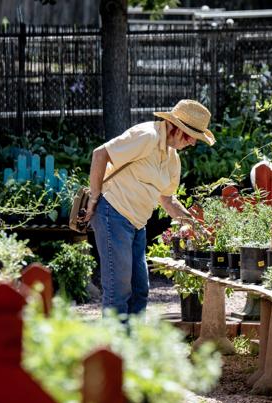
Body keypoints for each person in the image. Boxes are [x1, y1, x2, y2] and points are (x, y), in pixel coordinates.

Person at [83, 99, 215, 316]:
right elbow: (100, 154)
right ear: (177, 128)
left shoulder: (173, 160)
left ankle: (133, 346)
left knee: (140, 290)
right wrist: (94, 199)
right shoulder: (147, 135)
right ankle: (114, 348)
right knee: (118, 291)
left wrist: (196, 227)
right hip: (113, 214)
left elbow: (168, 200)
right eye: (192, 137)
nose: (192, 143)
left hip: (137, 225)